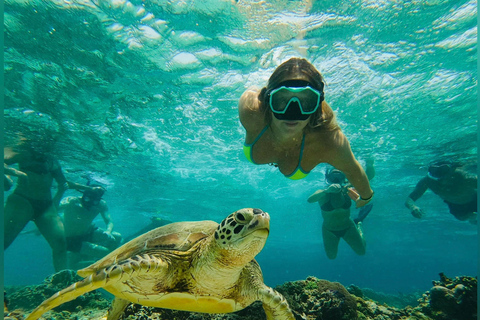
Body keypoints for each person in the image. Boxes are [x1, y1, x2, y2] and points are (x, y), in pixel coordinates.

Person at [239, 57, 373, 207]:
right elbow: (251, 92)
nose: (293, 112)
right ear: (268, 99)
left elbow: (352, 169)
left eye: (306, 102)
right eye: (282, 99)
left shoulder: (328, 140)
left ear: (316, 105)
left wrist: (366, 198)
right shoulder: (251, 112)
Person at [4, 141, 69, 271]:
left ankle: (63, 283)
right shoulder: (23, 153)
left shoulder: (52, 160)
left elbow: (63, 183)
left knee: (60, 246)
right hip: (22, 202)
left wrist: (55, 203)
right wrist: (15, 174)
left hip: (46, 207)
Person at [307, 162, 374, 259]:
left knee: (361, 252)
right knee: (331, 256)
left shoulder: (347, 190)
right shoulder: (323, 193)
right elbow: (310, 200)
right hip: (329, 230)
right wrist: (327, 191)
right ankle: (358, 223)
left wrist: (370, 163)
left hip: (348, 227)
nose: (336, 181)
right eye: (333, 177)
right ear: (328, 179)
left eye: (338, 177)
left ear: (343, 178)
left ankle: (359, 223)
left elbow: (367, 178)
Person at [59, 185, 122, 269]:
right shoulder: (71, 201)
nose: (89, 203)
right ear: (84, 194)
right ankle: (92, 265)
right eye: (88, 198)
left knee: (117, 236)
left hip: (89, 232)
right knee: (106, 253)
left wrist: (108, 231)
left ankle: (98, 262)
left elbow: (109, 221)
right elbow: (52, 210)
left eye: (95, 200)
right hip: (71, 239)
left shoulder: (101, 204)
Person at [405, 161, 477, 224]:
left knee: (466, 217)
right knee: (462, 217)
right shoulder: (428, 181)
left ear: (452, 171)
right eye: (436, 178)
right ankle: (473, 218)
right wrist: (413, 207)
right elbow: (410, 199)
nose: (441, 182)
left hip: (474, 200)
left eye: (444, 177)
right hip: (456, 206)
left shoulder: (463, 177)